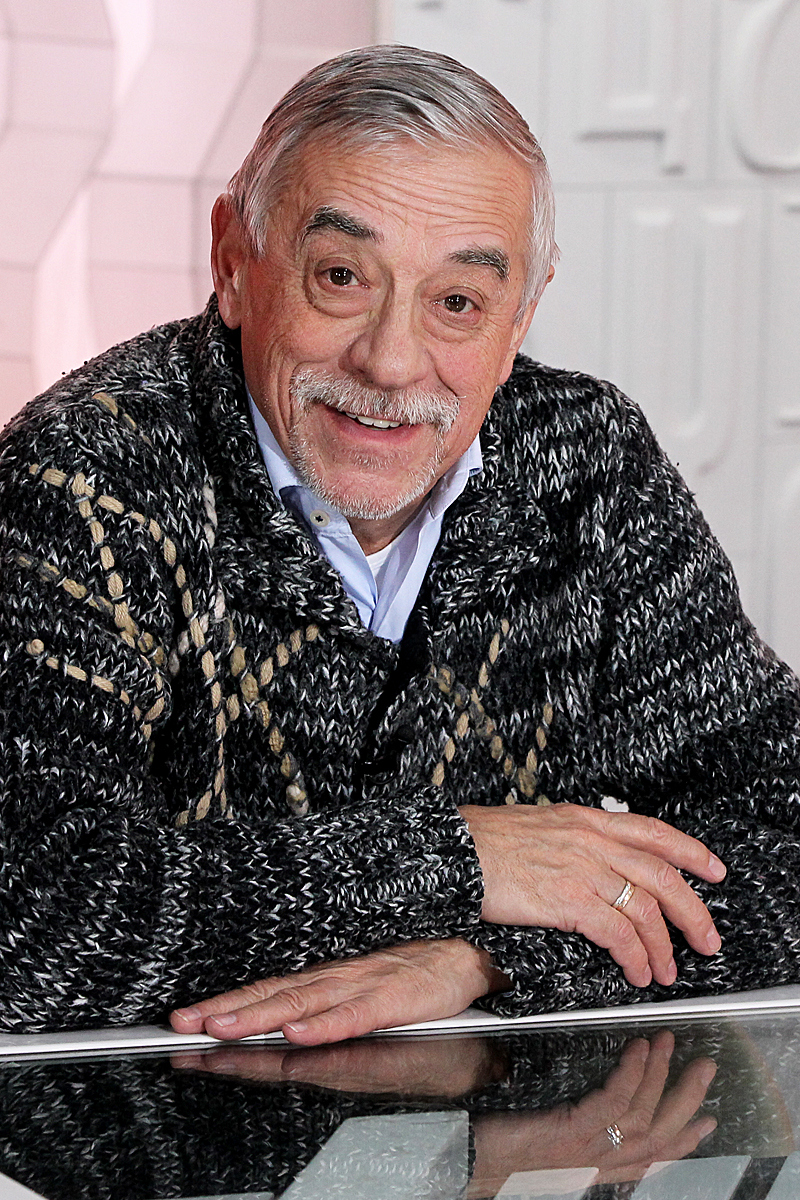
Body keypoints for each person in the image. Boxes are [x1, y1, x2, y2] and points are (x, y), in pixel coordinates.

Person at [1, 45, 799, 1043]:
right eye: (340, 277)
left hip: (495, 1121)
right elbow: (32, 920)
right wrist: (461, 860)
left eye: (456, 302)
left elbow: (782, 824)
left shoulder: (587, 463)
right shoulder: (86, 474)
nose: (389, 360)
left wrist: (485, 958)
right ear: (234, 263)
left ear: (520, 317)